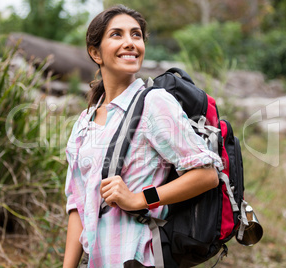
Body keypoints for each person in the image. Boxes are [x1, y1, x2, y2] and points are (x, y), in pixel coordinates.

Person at [63, 5, 222, 268]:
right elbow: (77, 207)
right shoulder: (83, 123)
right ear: (95, 53)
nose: (130, 43)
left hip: (137, 257)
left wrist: (139, 198)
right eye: (117, 35)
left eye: (136, 35)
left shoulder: (154, 103)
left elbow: (206, 175)